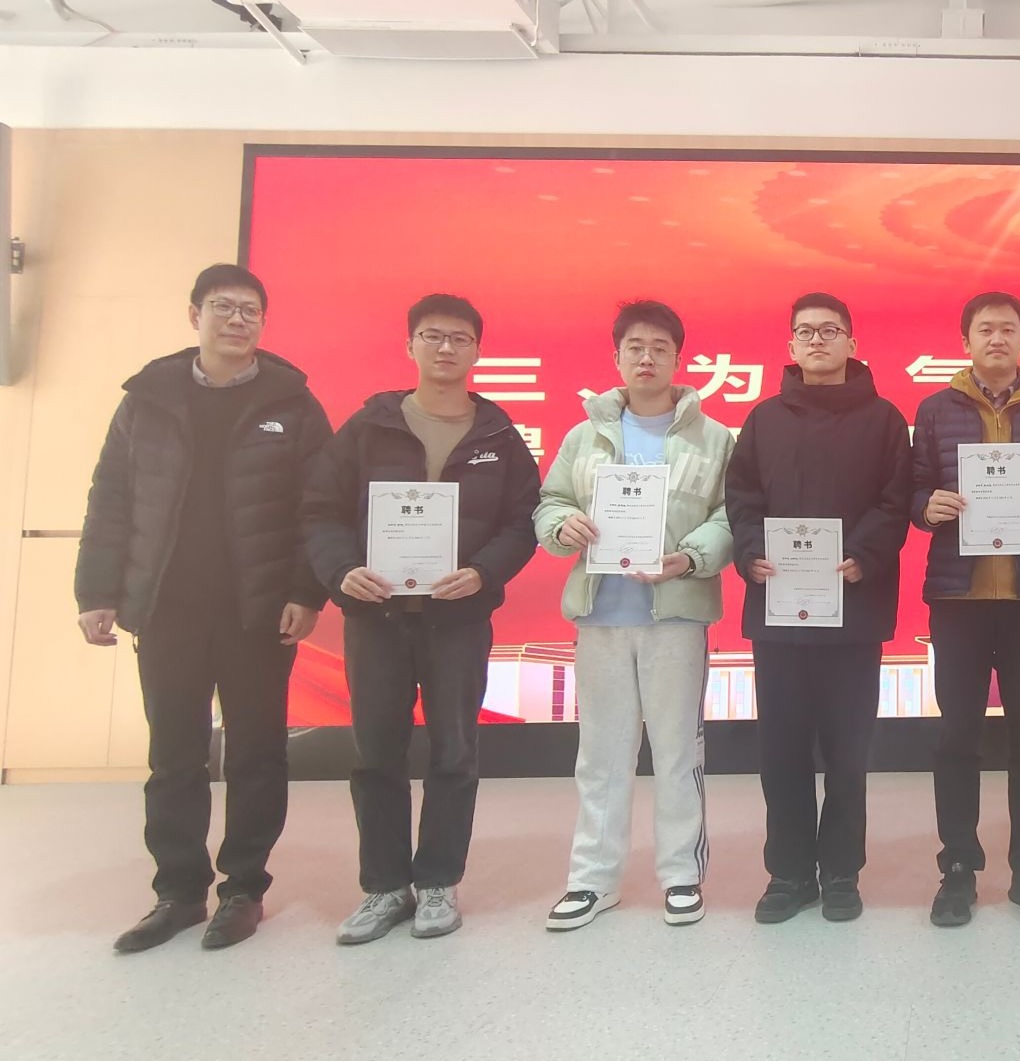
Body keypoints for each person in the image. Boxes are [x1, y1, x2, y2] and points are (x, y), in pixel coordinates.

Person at [77, 264, 331, 953]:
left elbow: (319, 507)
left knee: (256, 754)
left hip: (258, 611)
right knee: (174, 755)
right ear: (195, 315)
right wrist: (97, 592)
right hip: (167, 607)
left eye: (250, 310)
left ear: (264, 323)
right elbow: (111, 498)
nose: (237, 320)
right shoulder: (148, 399)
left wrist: (306, 592)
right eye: (223, 307)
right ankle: (179, 892)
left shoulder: (292, 402)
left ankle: (243, 888)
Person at [303, 293, 542, 943]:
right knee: (375, 752)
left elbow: (523, 521)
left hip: (457, 620)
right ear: (409, 345)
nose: (445, 348)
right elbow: (320, 510)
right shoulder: (369, 427)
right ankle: (384, 887)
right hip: (376, 617)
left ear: (477, 351)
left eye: (459, 338)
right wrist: (341, 570)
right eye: (433, 336)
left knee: (455, 751)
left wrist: (484, 572)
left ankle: (438, 880)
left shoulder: (499, 435)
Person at [532, 300, 735, 931]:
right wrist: (563, 524)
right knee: (601, 753)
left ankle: (680, 874)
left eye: (659, 348)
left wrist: (692, 557)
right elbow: (550, 501)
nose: (646, 358)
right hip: (601, 614)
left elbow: (732, 516)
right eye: (635, 348)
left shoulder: (715, 438)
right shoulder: (583, 435)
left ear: (679, 358)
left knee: (677, 751)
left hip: (676, 617)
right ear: (617, 357)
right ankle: (592, 880)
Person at [727, 293, 911, 924]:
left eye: (829, 330)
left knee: (847, 753)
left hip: (853, 608)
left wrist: (863, 555)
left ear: (852, 343)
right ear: (791, 345)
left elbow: (895, 501)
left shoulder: (884, 420)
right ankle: (787, 874)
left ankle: (840, 872)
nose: (816, 340)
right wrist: (750, 551)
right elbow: (741, 499)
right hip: (778, 610)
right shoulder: (763, 419)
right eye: (804, 331)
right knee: (780, 752)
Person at [910, 291, 1020, 927]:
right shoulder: (936, 409)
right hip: (958, 598)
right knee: (956, 736)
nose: (996, 339)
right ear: (966, 341)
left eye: (1008, 329)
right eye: (985, 329)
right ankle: (958, 867)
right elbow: (913, 488)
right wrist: (926, 506)